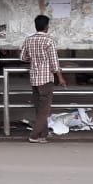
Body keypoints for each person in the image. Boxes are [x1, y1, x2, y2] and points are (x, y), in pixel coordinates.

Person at [20, 14, 66, 143]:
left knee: (39, 108)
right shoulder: (49, 41)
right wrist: (60, 78)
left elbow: (23, 57)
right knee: (44, 110)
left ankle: (43, 134)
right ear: (46, 27)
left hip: (34, 78)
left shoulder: (29, 40)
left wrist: (34, 59)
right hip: (45, 78)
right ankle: (34, 135)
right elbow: (54, 62)